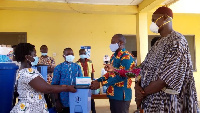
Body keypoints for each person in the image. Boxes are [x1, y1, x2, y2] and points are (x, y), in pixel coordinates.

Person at [133, 6, 199, 112]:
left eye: (154, 20)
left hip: (167, 104)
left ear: (165, 18)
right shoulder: (159, 42)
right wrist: (137, 85)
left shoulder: (177, 40)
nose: (153, 23)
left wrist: (142, 93)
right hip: (151, 101)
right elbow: (144, 67)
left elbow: (165, 79)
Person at [10, 43, 76, 113]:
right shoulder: (28, 72)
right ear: (27, 57)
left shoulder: (21, 71)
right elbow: (48, 89)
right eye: (34, 55)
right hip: (30, 109)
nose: (36, 57)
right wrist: (67, 88)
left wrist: (63, 86)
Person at [91, 34, 135, 113]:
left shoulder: (126, 57)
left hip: (121, 95)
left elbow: (122, 76)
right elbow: (110, 74)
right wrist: (98, 80)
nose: (111, 45)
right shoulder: (113, 56)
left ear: (120, 43)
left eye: (113, 42)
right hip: (112, 94)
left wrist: (101, 84)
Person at [51, 48, 83, 113]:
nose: (70, 56)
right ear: (64, 56)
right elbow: (54, 85)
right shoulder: (59, 67)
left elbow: (81, 82)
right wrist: (57, 101)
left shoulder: (77, 67)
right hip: (63, 100)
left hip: (76, 100)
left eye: (72, 54)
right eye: (68, 54)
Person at [76, 49, 96, 113]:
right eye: (81, 53)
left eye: (84, 53)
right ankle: (83, 109)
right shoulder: (76, 63)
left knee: (91, 97)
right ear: (79, 54)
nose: (83, 54)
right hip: (80, 83)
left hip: (89, 82)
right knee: (82, 97)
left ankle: (93, 110)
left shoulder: (90, 62)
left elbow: (92, 72)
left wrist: (93, 80)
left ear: (86, 54)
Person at [38, 45, 56, 112]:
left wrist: (42, 69)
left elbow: (52, 69)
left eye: (45, 49)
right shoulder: (38, 59)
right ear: (40, 50)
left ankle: (53, 109)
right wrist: (47, 68)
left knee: (52, 96)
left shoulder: (51, 59)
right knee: (42, 97)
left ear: (47, 50)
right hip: (40, 81)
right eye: (42, 49)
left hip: (49, 81)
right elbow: (37, 70)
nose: (44, 50)